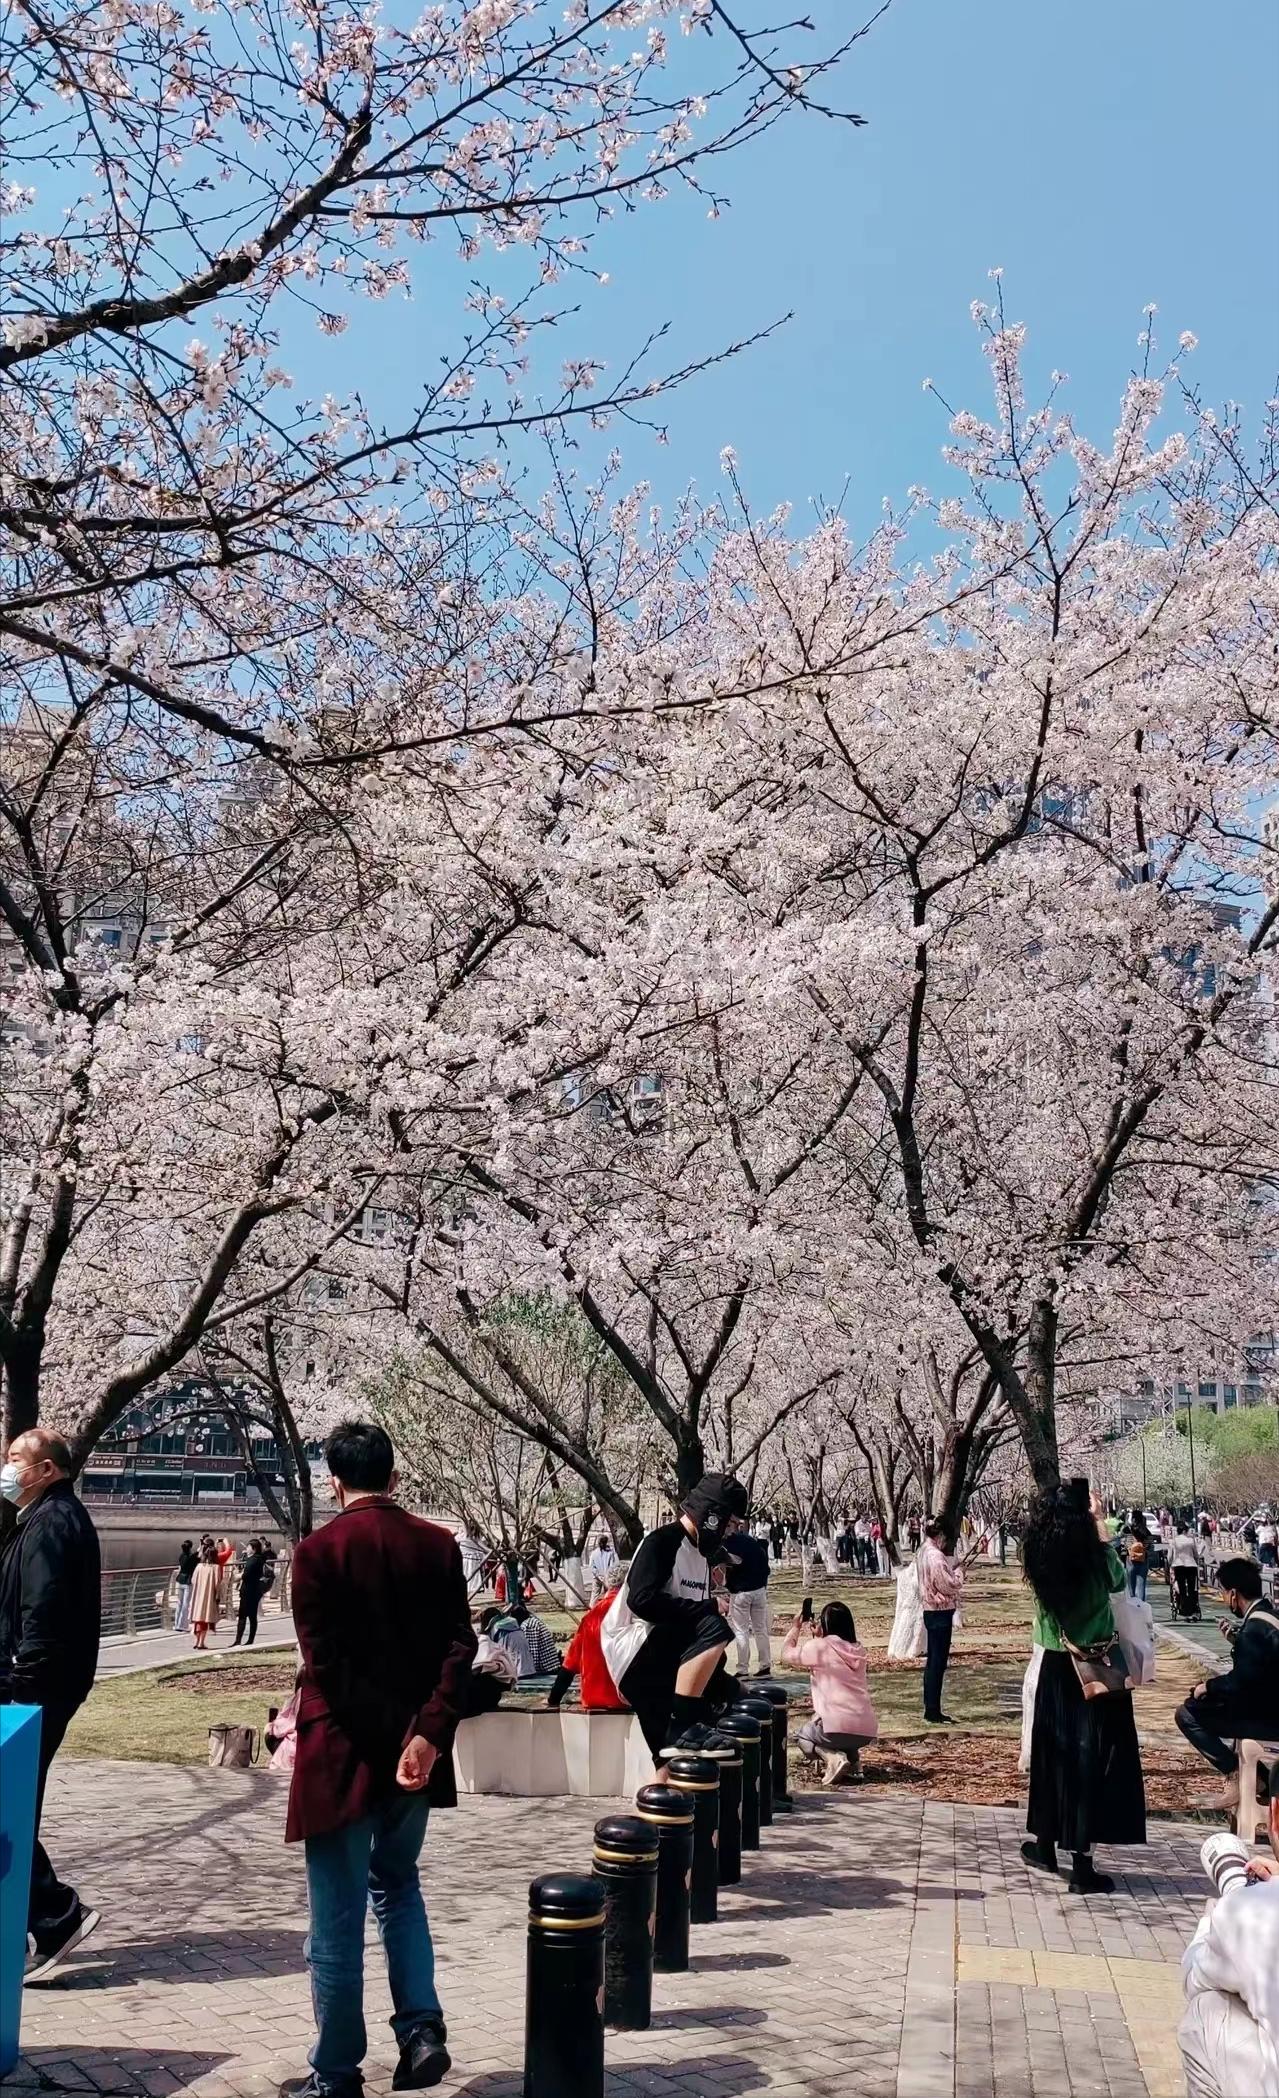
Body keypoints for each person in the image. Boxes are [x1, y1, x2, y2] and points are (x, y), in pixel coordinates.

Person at [281, 1420, 475, 2098]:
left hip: (341, 1751)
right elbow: (459, 1647)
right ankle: (421, 2030)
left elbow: (326, 1666)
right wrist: (425, 1734)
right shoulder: (438, 1545)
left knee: (335, 1919)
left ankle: (336, 2072)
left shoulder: (315, 1553)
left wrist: (392, 1736)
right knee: (397, 1884)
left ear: (334, 1482)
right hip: (416, 1756)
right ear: (393, 1477)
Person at [0, 1428, 103, 1982]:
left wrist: (22, 1687)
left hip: (35, 1689)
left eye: (17, 1458)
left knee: (8, 1806)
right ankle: (25, 1924)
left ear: (47, 1470)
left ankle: (58, 1915)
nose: (7, 1467)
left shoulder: (53, 1523)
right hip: (36, 1685)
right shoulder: (43, 1519)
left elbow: (41, 1611)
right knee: (11, 1805)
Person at [1021, 1483, 1146, 1895]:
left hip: (1055, 1666)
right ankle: (1082, 1865)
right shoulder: (1098, 1557)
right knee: (1089, 1759)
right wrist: (1100, 1524)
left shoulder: (1037, 1554)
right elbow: (1118, 1585)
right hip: (1093, 1669)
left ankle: (1044, 1844)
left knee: (1051, 1756)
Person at [601, 1473, 749, 1767]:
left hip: (664, 1655)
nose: (731, 1532)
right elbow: (641, 1600)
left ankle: (681, 1743)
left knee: (671, 1759)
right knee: (714, 1626)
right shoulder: (662, 1541)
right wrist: (708, 1607)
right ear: (713, 1517)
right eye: (731, 1524)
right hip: (633, 1652)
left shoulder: (701, 1555)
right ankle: (684, 1723)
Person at [1179, 1756, 1279, 2098]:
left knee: (1207, 2008)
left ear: (1274, 1814)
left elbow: (1194, 1977)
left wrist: (1218, 1916)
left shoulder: (1254, 1912)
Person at [1175, 1557, 1279, 1811]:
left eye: (1222, 1592)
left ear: (1233, 1594)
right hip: (1270, 1702)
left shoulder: (1254, 1629)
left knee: (1187, 1713)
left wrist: (1208, 1687)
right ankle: (1259, 1780)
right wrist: (1236, 1642)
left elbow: (1242, 1682)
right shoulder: (1270, 1617)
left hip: (1271, 1717)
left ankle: (1238, 1774)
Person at [783, 1600, 878, 1787]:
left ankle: (833, 1758)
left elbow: (786, 1654)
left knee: (802, 1736)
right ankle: (855, 1766)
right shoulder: (858, 1649)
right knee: (844, 1728)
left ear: (826, 1624)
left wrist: (796, 1627)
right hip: (866, 1729)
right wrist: (820, 1637)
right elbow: (833, 1653)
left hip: (836, 1727)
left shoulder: (819, 1647)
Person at [547, 1587, 628, 1712]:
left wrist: (553, 1699)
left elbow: (569, 1665)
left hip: (592, 1698)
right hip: (625, 1699)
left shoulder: (591, 1617)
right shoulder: (632, 1612)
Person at [916, 1518, 964, 1725]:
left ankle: (931, 1707)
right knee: (937, 1662)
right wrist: (959, 1573)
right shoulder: (935, 1556)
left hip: (930, 1610)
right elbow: (949, 1584)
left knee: (933, 1662)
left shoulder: (922, 1551)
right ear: (941, 1535)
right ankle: (933, 1710)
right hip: (940, 1611)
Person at [725, 1525, 772, 1677]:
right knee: (760, 1629)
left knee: (741, 1631)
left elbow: (730, 1564)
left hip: (741, 1593)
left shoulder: (727, 1546)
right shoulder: (751, 1542)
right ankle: (765, 1665)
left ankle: (743, 1669)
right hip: (759, 1590)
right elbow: (766, 1567)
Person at [233, 1536, 269, 1648]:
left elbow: (246, 1575)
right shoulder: (260, 1558)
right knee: (253, 1616)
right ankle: (250, 1640)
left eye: (248, 1547)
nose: (246, 1548)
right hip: (256, 1590)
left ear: (253, 1549)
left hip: (248, 1591)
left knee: (242, 1616)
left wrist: (238, 1575)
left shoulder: (252, 1560)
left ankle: (238, 1640)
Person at [508, 1600, 559, 1677]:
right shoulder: (531, 1621)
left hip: (546, 1670)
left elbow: (532, 1653)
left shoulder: (528, 1626)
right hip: (547, 1667)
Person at [189, 1540, 223, 1651]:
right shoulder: (215, 1568)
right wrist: (218, 1595)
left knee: (198, 1618)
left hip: (198, 1595)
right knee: (205, 1618)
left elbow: (193, 1580)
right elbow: (217, 1583)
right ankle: (201, 1642)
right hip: (209, 1596)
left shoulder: (199, 1566)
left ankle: (197, 1641)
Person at [1171, 1526, 1205, 1619]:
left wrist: (1171, 1564)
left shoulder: (1174, 1540)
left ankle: (1183, 1608)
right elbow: (1196, 1554)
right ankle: (1192, 1608)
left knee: (1181, 1587)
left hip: (1178, 1565)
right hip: (1191, 1565)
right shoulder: (1190, 1540)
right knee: (1192, 1588)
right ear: (1184, 1531)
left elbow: (1170, 1556)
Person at [1125, 1511, 1153, 1601]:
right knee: (1141, 1586)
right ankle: (1141, 1605)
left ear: (1133, 1519)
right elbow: (1149, 1547)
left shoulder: (1128, 1530)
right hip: (1143, 1560)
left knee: (1131, 1588)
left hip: (1130, 1560)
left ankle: (1132, 1605)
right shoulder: (1147, 1532)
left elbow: (1124, 1545)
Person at [586, 1535, 619, 1604]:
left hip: (597, 1577)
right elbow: (613, 1565)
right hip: (608, 1577)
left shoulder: (594, 1553)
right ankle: (607, 1607)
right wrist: (607, 1575)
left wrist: (598, 1575)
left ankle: (592, 1608)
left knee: (595, 1595)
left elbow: (591, 1566)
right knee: (608, 1594)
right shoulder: (611, 1552)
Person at [174, 1538, 198, 1633]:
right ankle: (183, 1625)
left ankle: (176, 1623)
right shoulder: (192, 1557)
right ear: (190, 1547)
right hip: (188, 1581)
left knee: (179, 1603)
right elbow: (199, 1555)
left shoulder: (181, 1556)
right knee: (186, 1604)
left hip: (180, 1580)